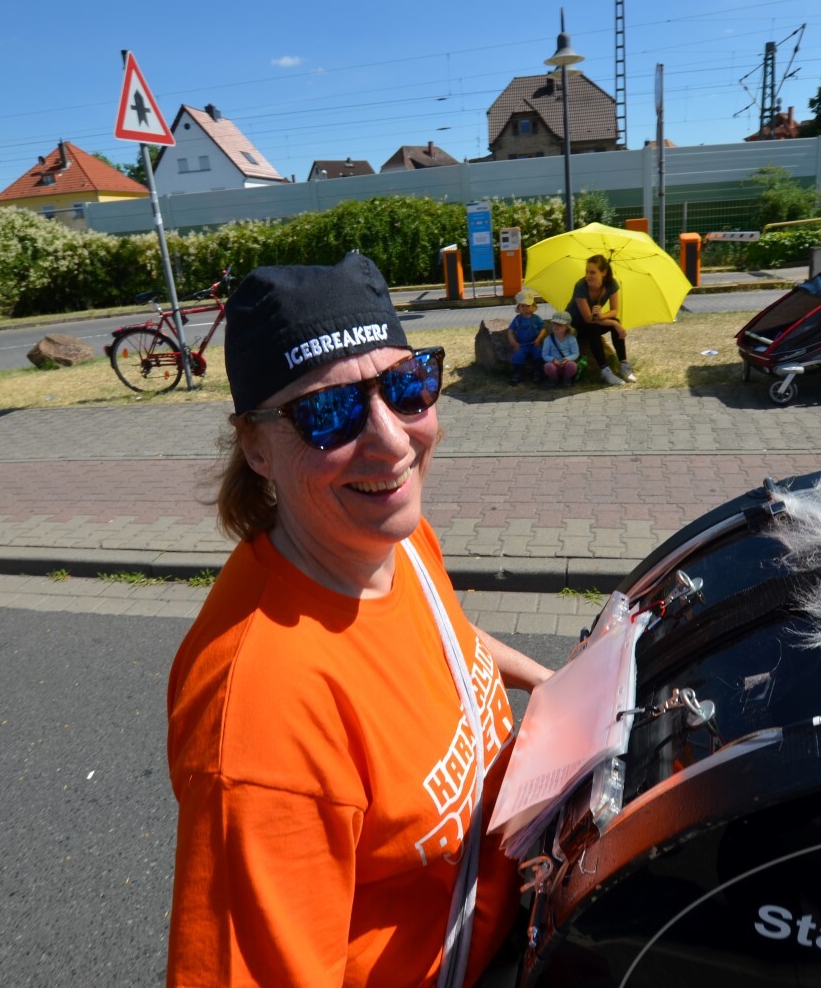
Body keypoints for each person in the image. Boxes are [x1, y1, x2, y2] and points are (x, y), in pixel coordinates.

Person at [166, 252, 554, 988]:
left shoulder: (389, 541)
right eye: (329, 413)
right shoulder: (264, 721)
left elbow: (440, 636)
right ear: (256, 447)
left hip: (518, 900)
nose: (392, 441)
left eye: (407, 387)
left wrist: (550, 682)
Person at [569, 254, 634, 385]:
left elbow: (614, 310)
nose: (588, 276)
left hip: (592, 322)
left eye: (592, 272)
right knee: (600, 326)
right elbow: (588, 319)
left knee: (614, 322)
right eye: (587, 271)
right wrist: (613, 323)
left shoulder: (611, 284)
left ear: (603, 272)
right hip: (575, 325)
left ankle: (623, 365)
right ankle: (605, 371)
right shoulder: (581, 286)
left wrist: (602, 316)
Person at [505, 289, 544, 387]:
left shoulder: (536, 318)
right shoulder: (517, 319)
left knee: (538, 353)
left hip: (534, 343)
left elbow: (543, 329)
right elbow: (510, 331)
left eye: (528, 306)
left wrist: (539, 339)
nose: (525, 308)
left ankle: (537, 372)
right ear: (519, 307)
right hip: (521, 345)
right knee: (518, 356)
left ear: (533, 306)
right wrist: (514, 343)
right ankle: (517, 374)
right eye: (522, 306)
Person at [541, 310, 580, 387]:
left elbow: (576, 353)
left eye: (560, 324)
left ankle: (567, 378)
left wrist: (568, 359)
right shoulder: (548, 339)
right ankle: (554, 379)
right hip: (554, 364)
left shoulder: (571, 338)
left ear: (567, 326)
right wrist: (553, 360)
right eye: (554, 324)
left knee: (572, 365)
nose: (556, 326)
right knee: (548, 366)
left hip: (566, 364)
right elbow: (545, 355)